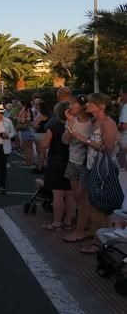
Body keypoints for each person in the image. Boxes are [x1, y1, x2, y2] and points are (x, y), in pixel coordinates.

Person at [67, 93, 120, 254]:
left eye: (91, 103)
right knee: (97, 206)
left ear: (101, 106)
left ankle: (98, 243)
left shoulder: (107, 123)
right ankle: (102, 240)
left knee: (97, 207)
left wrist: (83, 139)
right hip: (93, 167)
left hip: (102, 170)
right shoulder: (96, 122)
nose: (87, 105)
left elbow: (108, 148)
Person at [62, 94, 94, 243]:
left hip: (84, 163)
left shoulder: (92, 123)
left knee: (82, 198)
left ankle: (80, 230)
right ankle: (85, 224)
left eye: (73, 104)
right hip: (72, 160)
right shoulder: (72, 120)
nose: (70, 107)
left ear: (82, 106)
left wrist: (81, 137)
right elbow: (65, 140)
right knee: (77, 197)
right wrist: (69, 123)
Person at [40, 101, 74, 231]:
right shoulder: (73, 126)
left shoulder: (54, 127)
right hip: (70, 161)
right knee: (70, 194)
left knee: (58, 195)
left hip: (56, 162)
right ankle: (69, 221)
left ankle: (57, 222)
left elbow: (44, 145)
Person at [118, 85, 127, 169]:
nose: (120, 97)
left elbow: (124, 126)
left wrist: (115, 129)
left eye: (121, 94)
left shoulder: (126, 107)